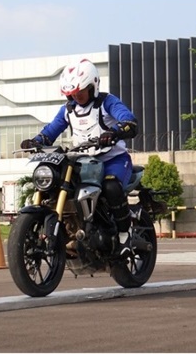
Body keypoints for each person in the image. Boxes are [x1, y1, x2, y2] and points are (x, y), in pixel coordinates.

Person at [20, 58, 138, 256]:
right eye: (72, 94)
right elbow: (52, 129)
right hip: (84, 162)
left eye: (80, 92)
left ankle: (125, 236)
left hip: (113, 160)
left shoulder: (107, 102)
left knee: (111, 186)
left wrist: (114, 131)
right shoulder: (68, 109)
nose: (77, 96)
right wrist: (37, 140)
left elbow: (128, 119)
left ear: (93, 86)